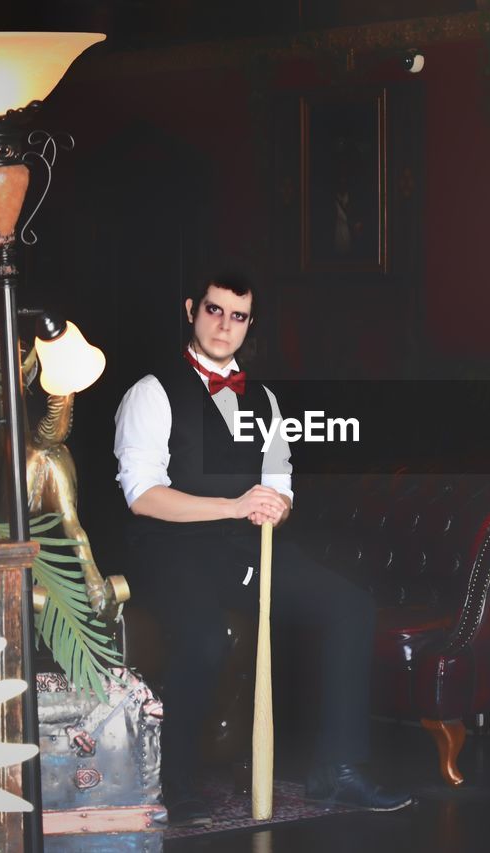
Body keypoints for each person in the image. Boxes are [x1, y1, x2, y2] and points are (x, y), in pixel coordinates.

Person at [113, 266, 413, 827]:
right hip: (168, 549)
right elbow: (143, 496)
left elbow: (280, 487)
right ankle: (175, 783)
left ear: (250, 324)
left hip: (243, 549)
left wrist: (277, 505)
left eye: (238, 315)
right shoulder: (151, 393)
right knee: (204, 638)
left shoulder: (266, 402)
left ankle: (337, 770)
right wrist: (233, 506)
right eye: (214, 310)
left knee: (350, 606)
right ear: (190, 310)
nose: (225, 325)